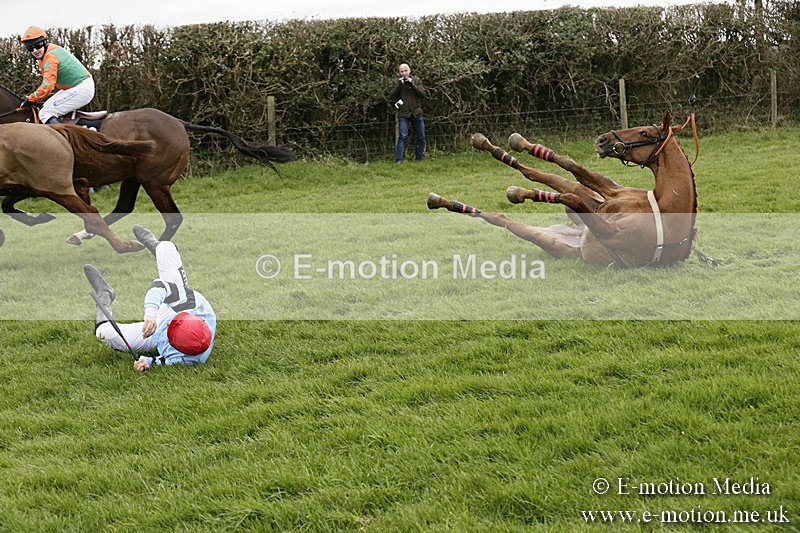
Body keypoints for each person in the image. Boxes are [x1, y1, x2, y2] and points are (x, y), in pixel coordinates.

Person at [84, 225, 216, 372]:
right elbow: (159, 286)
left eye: (169, 329)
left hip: (153, 336)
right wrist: (150, 314)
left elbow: (165, 361)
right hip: (174, 307)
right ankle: (155, 246)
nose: (166, 325)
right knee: (166, 247)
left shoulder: (190, 358)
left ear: (176, 347)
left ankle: (104, 294)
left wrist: (148, 361)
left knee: (103, 333)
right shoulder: (193, 304)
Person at [19, 25, 95, 125]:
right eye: (30, 48)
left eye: (38, 46)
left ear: (45, 42)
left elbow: (48, 86)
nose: (35, 51)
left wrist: (31, 99)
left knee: (45, 113)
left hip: (81, 88)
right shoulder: (48, 53)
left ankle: (63, 139)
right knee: (45, 106)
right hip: (76, 87)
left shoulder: (50, 57)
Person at [388, 63, 427, 163]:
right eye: (402, 71)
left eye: (406, 71)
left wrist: (412, 84)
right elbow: (391, 96)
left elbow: (423, 94)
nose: (404, 73)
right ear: (399, 72)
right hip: (403, 113)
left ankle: (419, 158)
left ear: (410, 70)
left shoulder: (416, 80)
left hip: (416, 112)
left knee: (421, 136)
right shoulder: (396, 82)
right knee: (403, 136)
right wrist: (399, 85)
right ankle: (399, 160)